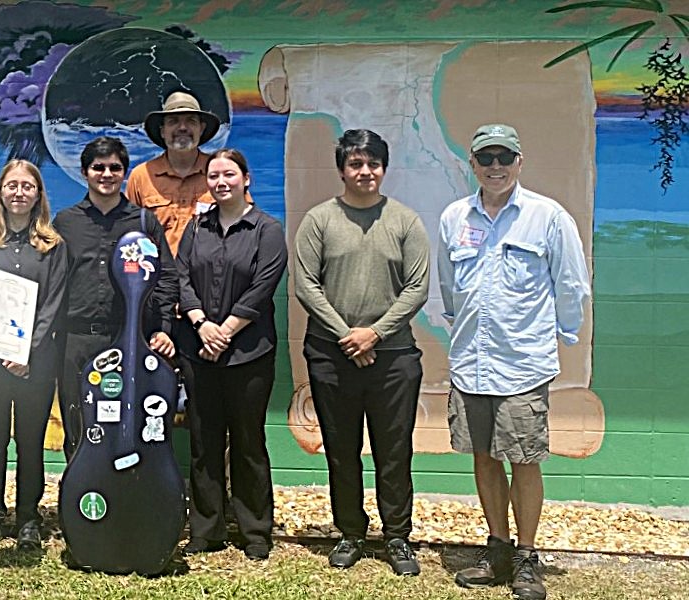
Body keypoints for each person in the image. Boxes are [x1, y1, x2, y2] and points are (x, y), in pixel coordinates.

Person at [439, 124, 589, 600]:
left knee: (523, 459)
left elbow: (571, 285)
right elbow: (448, 286)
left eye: (505, 157)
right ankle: (497, 548)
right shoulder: (454, 217)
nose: (496, 166)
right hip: (470, 362)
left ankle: (526, 557)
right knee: (483, 456)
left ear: (520, 161)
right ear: (473, 164)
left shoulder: (547, 217)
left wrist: (563, 334)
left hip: (522, 364)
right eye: (487, 158)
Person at [291, 129, 429, 575]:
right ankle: (350, 531)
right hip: (332, 355)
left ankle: (396, 536)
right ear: (342, 170)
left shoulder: (406, 221)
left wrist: (374, 334)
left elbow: (417, 288)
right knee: (341, 448)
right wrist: (348, 336)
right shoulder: (319, 220)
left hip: (393, 358)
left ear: (384, 169)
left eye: (372, 164)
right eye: (355, 164)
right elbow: (306, 286)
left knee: (394, 450)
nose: (365, 172)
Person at [175, 148, 286, 561]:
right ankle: (207, 529)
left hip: (249, 354)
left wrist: (227, 329)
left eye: (229, 175)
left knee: (247, 441)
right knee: (204, 442)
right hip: (198, 350)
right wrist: (201, 323)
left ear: (246, 179)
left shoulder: (266, 229)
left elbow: (263, 285)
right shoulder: (197, 228)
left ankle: (255, 529)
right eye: (214, 176)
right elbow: (180, 276)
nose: (221, 182)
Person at [52, 136, 176, 459]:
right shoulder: (65, 223)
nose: (106, 174)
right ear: (84, 172)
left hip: (129, 338)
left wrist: (163, 328)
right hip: (75, 340)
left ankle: (123, 501)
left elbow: (166, 278)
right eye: (98, 168)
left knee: (127, 422)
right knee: (78, 423)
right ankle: (78, 501)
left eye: (114, 168)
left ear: (124, 172)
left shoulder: (144, 222)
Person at [0, 160, 65, 551]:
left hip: (35, 363)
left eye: (27, 186)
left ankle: (28, 518)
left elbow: (53, 304)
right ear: (0, 192)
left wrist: (27, 350)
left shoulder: (54, 247)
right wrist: (0, 348)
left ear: (38, 194)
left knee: (30, 441)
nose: (19, 193)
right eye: (12, 185)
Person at [125, 90, 223, 253]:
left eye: (191, 121)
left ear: (202, 128)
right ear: (163, 131)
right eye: (173, 121)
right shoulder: (141, 176)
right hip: (159, 275)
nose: (182, 127)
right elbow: (129, 233)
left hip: (211, 275)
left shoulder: (220, 171)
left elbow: (244, 225)